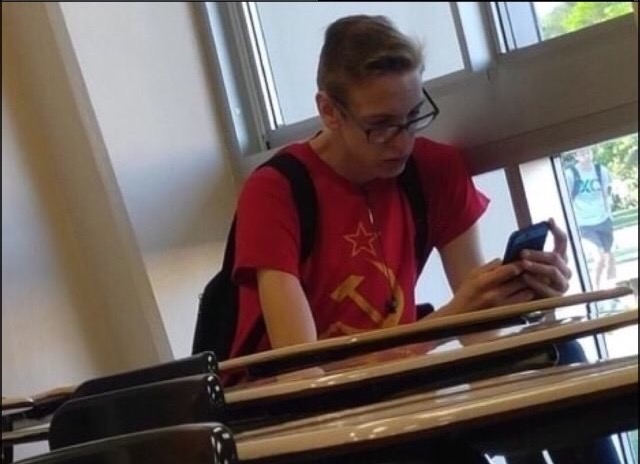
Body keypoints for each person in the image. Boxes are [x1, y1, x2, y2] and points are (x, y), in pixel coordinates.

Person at [229, 14, 618, 463]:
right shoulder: (276, 190)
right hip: (293, 422)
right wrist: (452, 318)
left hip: (400, 389)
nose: (402, 142)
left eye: (413, 117)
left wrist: (526, 301)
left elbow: (482, 337)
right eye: (381, 125)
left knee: (557, 356)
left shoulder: (433, 170)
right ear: (329, 111)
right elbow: (305, 381)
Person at [565, 146, 617, 289]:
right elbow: (566, 198)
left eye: (588, 152)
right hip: (584, 223)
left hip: (603, 219)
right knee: (599, 257)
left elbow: (606, 194)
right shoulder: (571, 174)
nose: (586, 155)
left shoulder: (601, 170)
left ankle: (612, 289)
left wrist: (609, 215)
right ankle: (595, 289)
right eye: (582, 153)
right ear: (576, 156)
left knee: (609, 257)